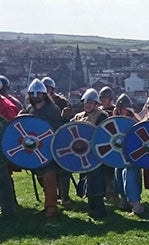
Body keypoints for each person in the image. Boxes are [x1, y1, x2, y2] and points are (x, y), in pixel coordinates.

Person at [24, 79, 65, 220]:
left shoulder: (52, 110)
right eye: (33, 93)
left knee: (49, 178)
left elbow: (55, 130)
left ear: (43, 94)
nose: (35, 95)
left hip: (49, 149)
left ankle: (51, 209)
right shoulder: (31, 109)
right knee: (42, 178)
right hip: (35, 151)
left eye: (38, 93)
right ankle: (48, 204)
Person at [71, 88, 110, 218]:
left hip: (96, 154)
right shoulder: (79, 116)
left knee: (96, 180)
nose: (88, 105)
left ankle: (100, 209)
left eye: (91, 103)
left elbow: (103, 134)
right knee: (85, 179)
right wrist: (64, 118)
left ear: (96, 104)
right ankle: (91, 206)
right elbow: (69, 130)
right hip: (82, 154)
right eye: (86, 102)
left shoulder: (101, 116)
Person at [0, 76, 21, 217]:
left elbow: (12, 128)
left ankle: (9, 209)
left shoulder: (7, 104)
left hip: (3, 146)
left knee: (3, 178)